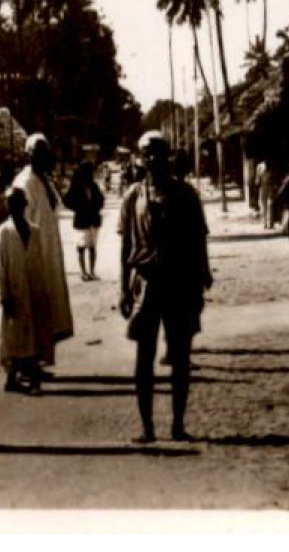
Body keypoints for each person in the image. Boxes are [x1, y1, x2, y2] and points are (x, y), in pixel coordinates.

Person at [120, 131, 212, 443]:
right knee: (144, 358)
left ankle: (178, 425)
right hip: (146, 284)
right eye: (147, 153)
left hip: (180, 283)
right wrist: (123, 289)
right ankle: (147, 428)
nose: (153, 159)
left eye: (158, 152)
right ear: (140, 158)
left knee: (181, 357)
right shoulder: (133, 196)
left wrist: (202, 278)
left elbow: (198, 239)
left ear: (168, 155)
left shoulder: (186, 195)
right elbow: (126, 246)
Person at [10, 135, 75, 378]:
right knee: (30, 308)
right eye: (38, 150)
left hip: (48, 251)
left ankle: (35, 361)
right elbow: (20, 221)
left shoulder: (43, 179)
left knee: (44, 308)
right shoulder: (25, 181)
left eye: (46, 150)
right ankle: (23, 365)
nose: (44, 155)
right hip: (33, 255)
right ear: (29, 154)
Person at [0, 188, 43, 394]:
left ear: (25, 205)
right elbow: (0, 266)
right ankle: (13, 376)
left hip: (32, 288)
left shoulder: (35, 231)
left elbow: (39, 263)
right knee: (12, 335)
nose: (15, 207)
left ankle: (28, 374)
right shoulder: (4, 232)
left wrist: (41, 292)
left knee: (32, 333)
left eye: (19, 203)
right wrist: (3, 295)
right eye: (11, 203)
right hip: (12, 289)